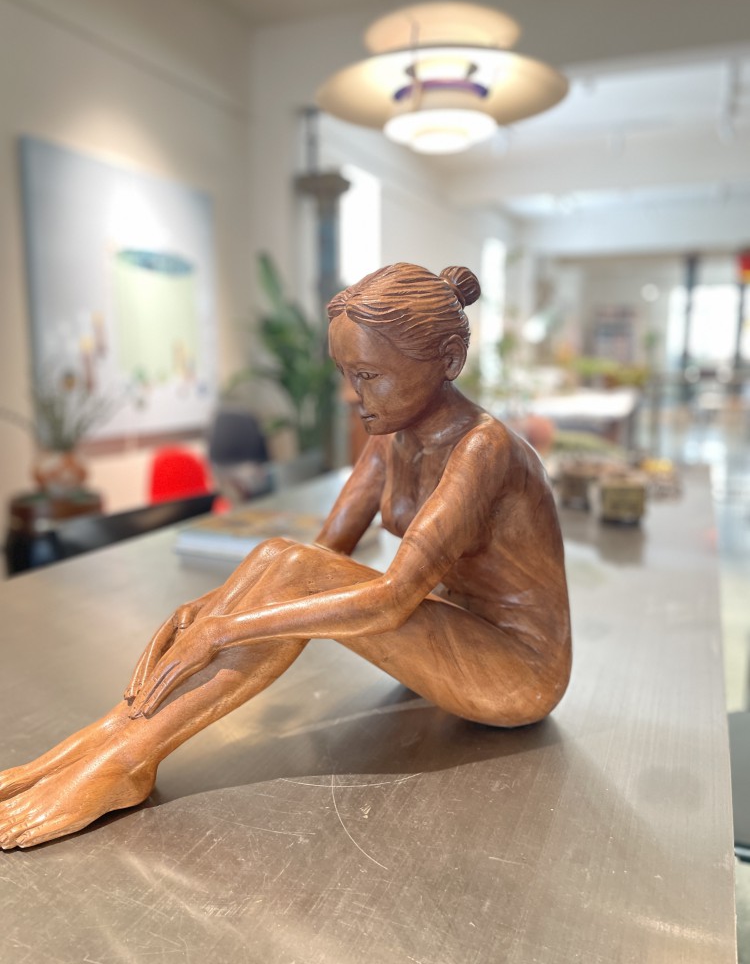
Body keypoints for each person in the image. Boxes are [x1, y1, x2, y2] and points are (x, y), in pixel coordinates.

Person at [0, 262, 571, 849]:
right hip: (454, 630)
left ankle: (128, 761)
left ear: (449, 359)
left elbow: (392, 599)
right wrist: (211, 606)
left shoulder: (483, 448)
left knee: (291, 572)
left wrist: (225, 629)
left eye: (370, 375)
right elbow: (316, 554)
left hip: (517, 673)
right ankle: (109, 735)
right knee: (279, 553)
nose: (356, 397)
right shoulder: (393, 434)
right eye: (347, 375)